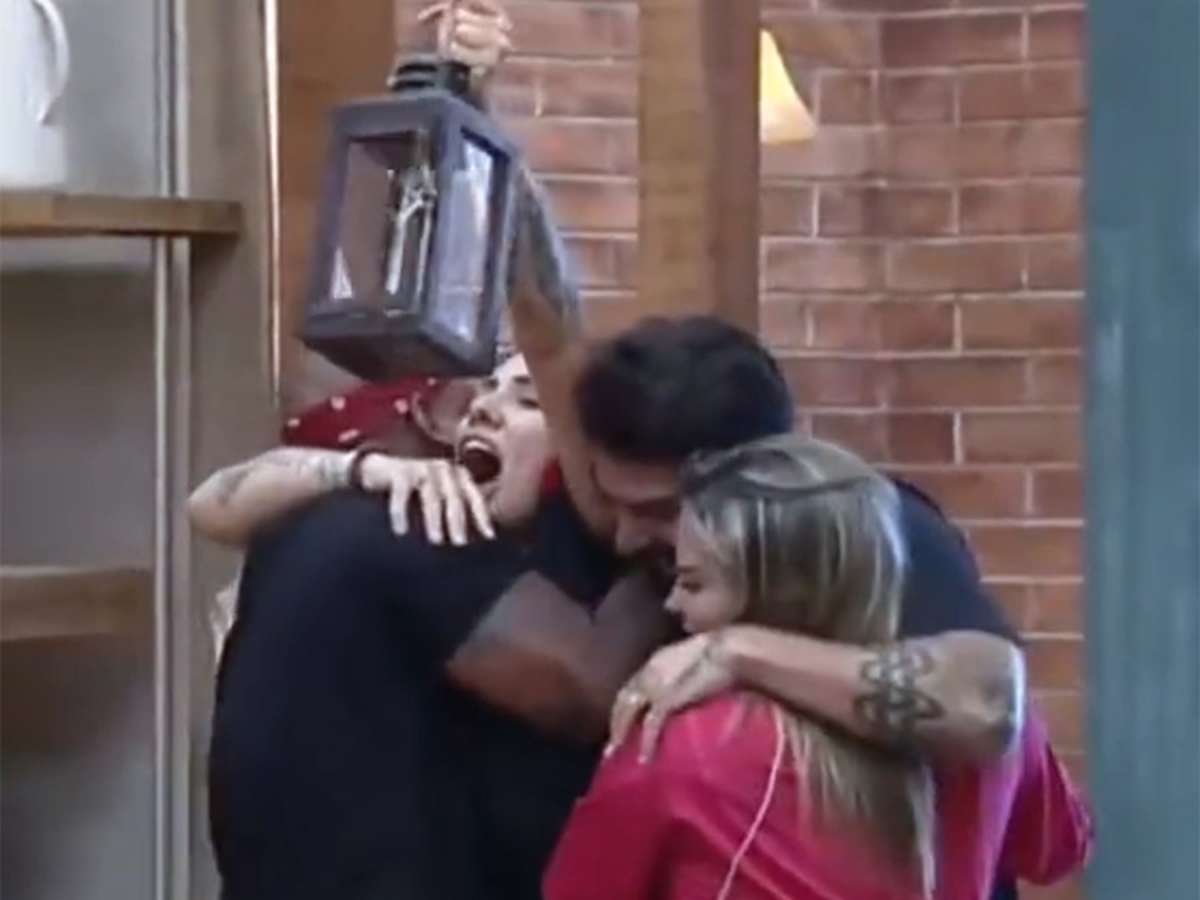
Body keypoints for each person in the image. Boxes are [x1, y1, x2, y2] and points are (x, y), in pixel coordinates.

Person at [543, 436, 1092, 899]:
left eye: (692, 582)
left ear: (781, 591)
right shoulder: (996, 723)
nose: (672, 604)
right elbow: (1057, 850)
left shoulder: (683, 740)